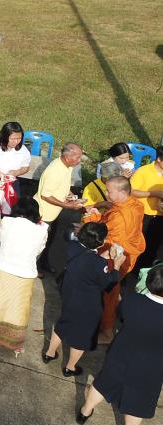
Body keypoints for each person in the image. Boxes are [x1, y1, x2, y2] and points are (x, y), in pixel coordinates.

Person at [77, 265, 163, 425]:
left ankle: (85, 411)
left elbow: (122, 315)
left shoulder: (132, 299)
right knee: (138, 399)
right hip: (151, 366)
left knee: (103, 383)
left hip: (121, 353)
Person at [43, 222, 124, 376]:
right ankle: (70, 367)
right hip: (88, 306)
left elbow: (86, 263)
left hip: (69, 297)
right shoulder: (99, 264)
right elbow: (108, 285)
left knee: (63, 324)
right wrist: (116, 266)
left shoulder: (73, 247)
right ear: (101, 242)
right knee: (82, 337)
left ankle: (49, 353)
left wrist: (100, 257)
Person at [0, 198, 48, 353]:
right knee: (18, 310)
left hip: (1, 269)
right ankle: (13, 343)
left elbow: (0, 240)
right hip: (25, 274)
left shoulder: (6, 222)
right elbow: (39, 251)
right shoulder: (42, 230)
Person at [96, 176, 146, 343]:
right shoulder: (136, 204)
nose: (106, 194)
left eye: (109, 191)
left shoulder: (119, 216)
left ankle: (107, 331)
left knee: (108, 292)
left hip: (116, 256)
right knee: (113, 290)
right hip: (130, 252)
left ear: (123, 192)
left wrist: (88, 222)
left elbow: (109, 238)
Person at [34, 143, 85, 275]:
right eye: (78, 157)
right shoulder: (55, 171)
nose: (79, 161)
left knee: (49, 241)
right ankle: (34, 268)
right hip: (44, 214)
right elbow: (45, 195)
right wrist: (68, 206)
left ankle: (43, 263)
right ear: (67, 157)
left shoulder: (68, 166)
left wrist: (70, 195)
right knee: (39, 243)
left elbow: (63, 185)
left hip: (54, 213)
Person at [129, 148, 163, 268]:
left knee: (155, 246)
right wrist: (154, 193)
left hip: (160, 216)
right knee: (139, 245)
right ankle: (133, 269)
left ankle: (147, 271)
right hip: (143, 215)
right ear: (159, 159)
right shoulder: (143, 171)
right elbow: (131, 192)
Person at [0, 121, 32, 196]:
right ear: (5, 136)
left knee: (13, 201)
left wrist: (16, 172)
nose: (16, 142)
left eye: (19, 138)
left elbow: (26, 167)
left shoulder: (23, 150)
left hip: (12, 182)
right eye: (13, 139)